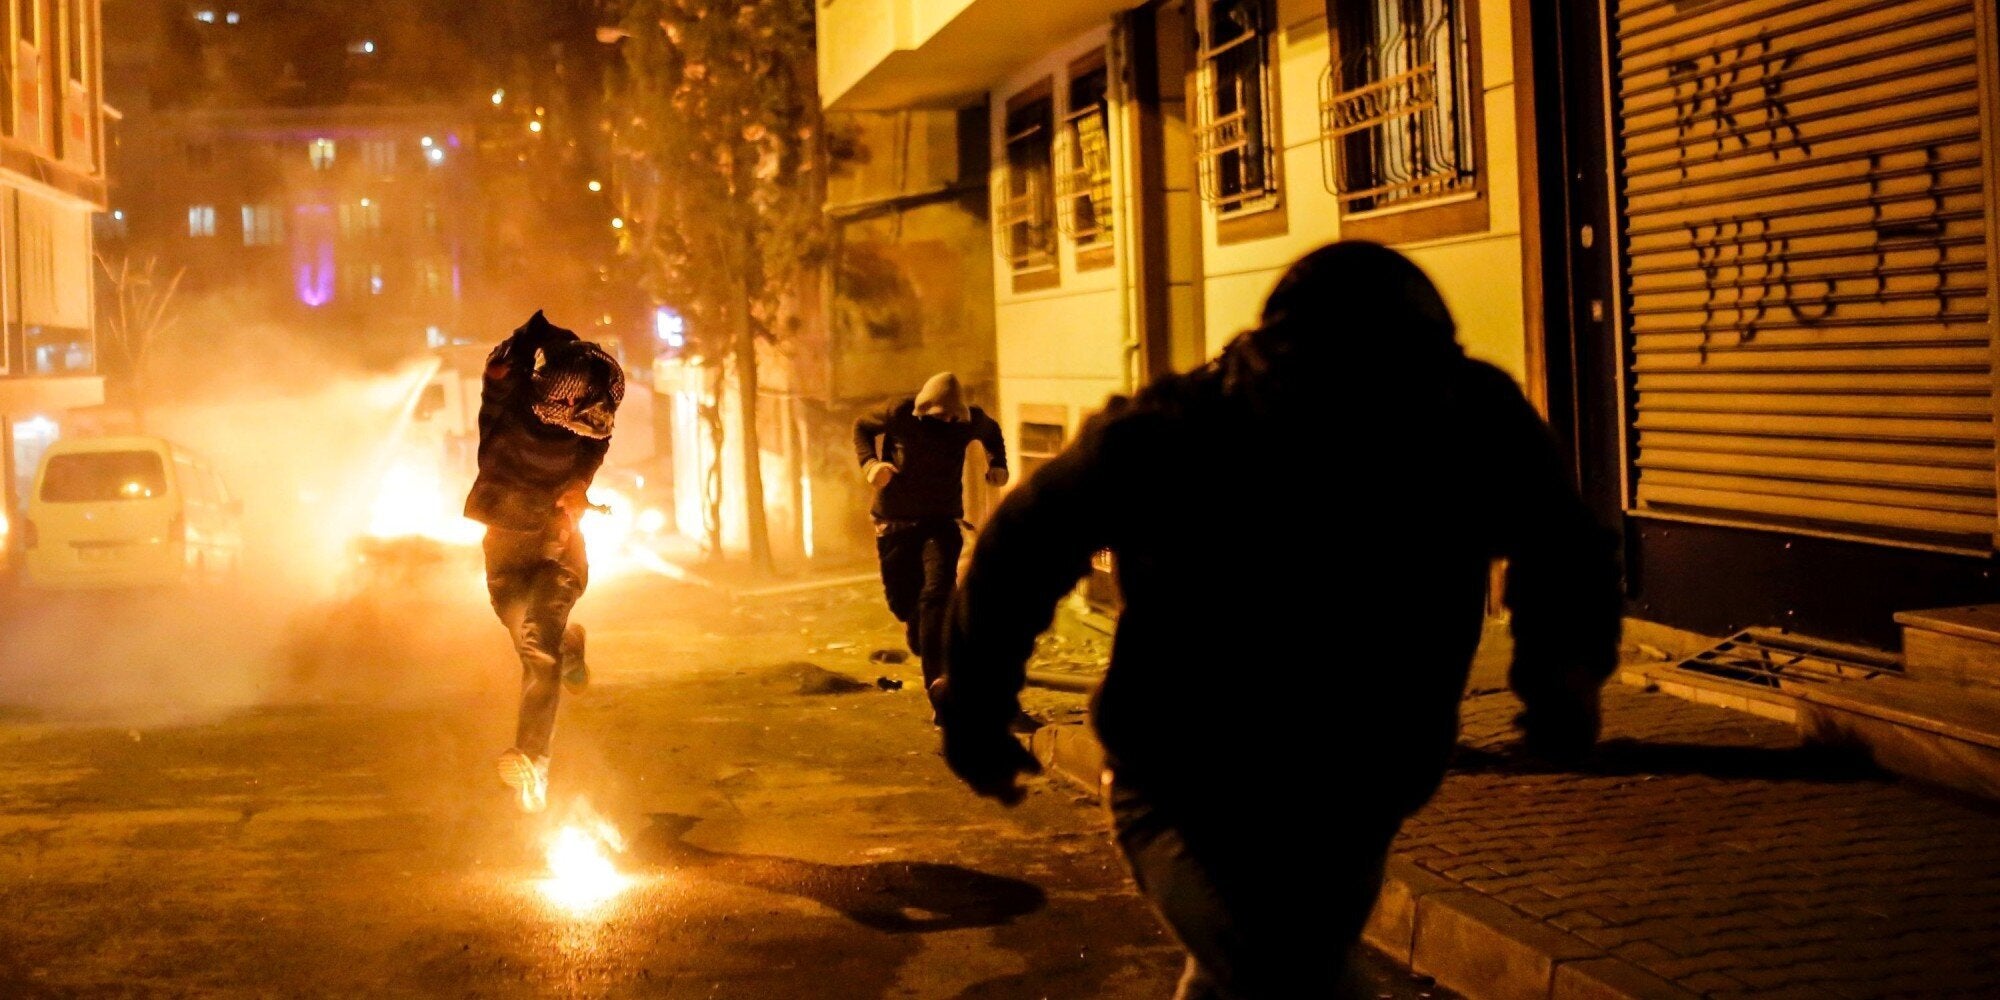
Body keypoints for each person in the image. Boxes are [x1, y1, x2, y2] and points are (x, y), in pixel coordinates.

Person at [933, 241, 1621, 998]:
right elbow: (1027, 538)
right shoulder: (1201, 425)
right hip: (1194, 786)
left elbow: (1564, 547)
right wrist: (1561, 686)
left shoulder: (1457, 416)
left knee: (1258, 970)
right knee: (1286, 969)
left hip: (1352, 783)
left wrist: (1562, 681)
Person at [464, 310, 624, 814]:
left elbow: (597, 447)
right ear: (561, 400)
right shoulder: (508, 402)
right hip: (505, 546)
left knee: (537, 646)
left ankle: (534, 759)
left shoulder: (590, 417)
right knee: (532, 641)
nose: (586, 425)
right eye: (578, 412)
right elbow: (514, 354)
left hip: (559, 547)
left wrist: (579, 486)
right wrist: (529, 337)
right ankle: (570, 646)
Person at [853, 372, 1009, 700]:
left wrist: (997, 464)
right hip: (894, 521)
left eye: (954, 415)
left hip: (942, 520)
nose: (948, 421)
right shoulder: (899, 413)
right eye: (941, 415)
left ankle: (939, 685)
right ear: (924, 409)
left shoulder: (968, 421)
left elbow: (992, 433)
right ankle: (918, 626)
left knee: (937, 594)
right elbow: (862, 427)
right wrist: (871, 465)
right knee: (903, 603)